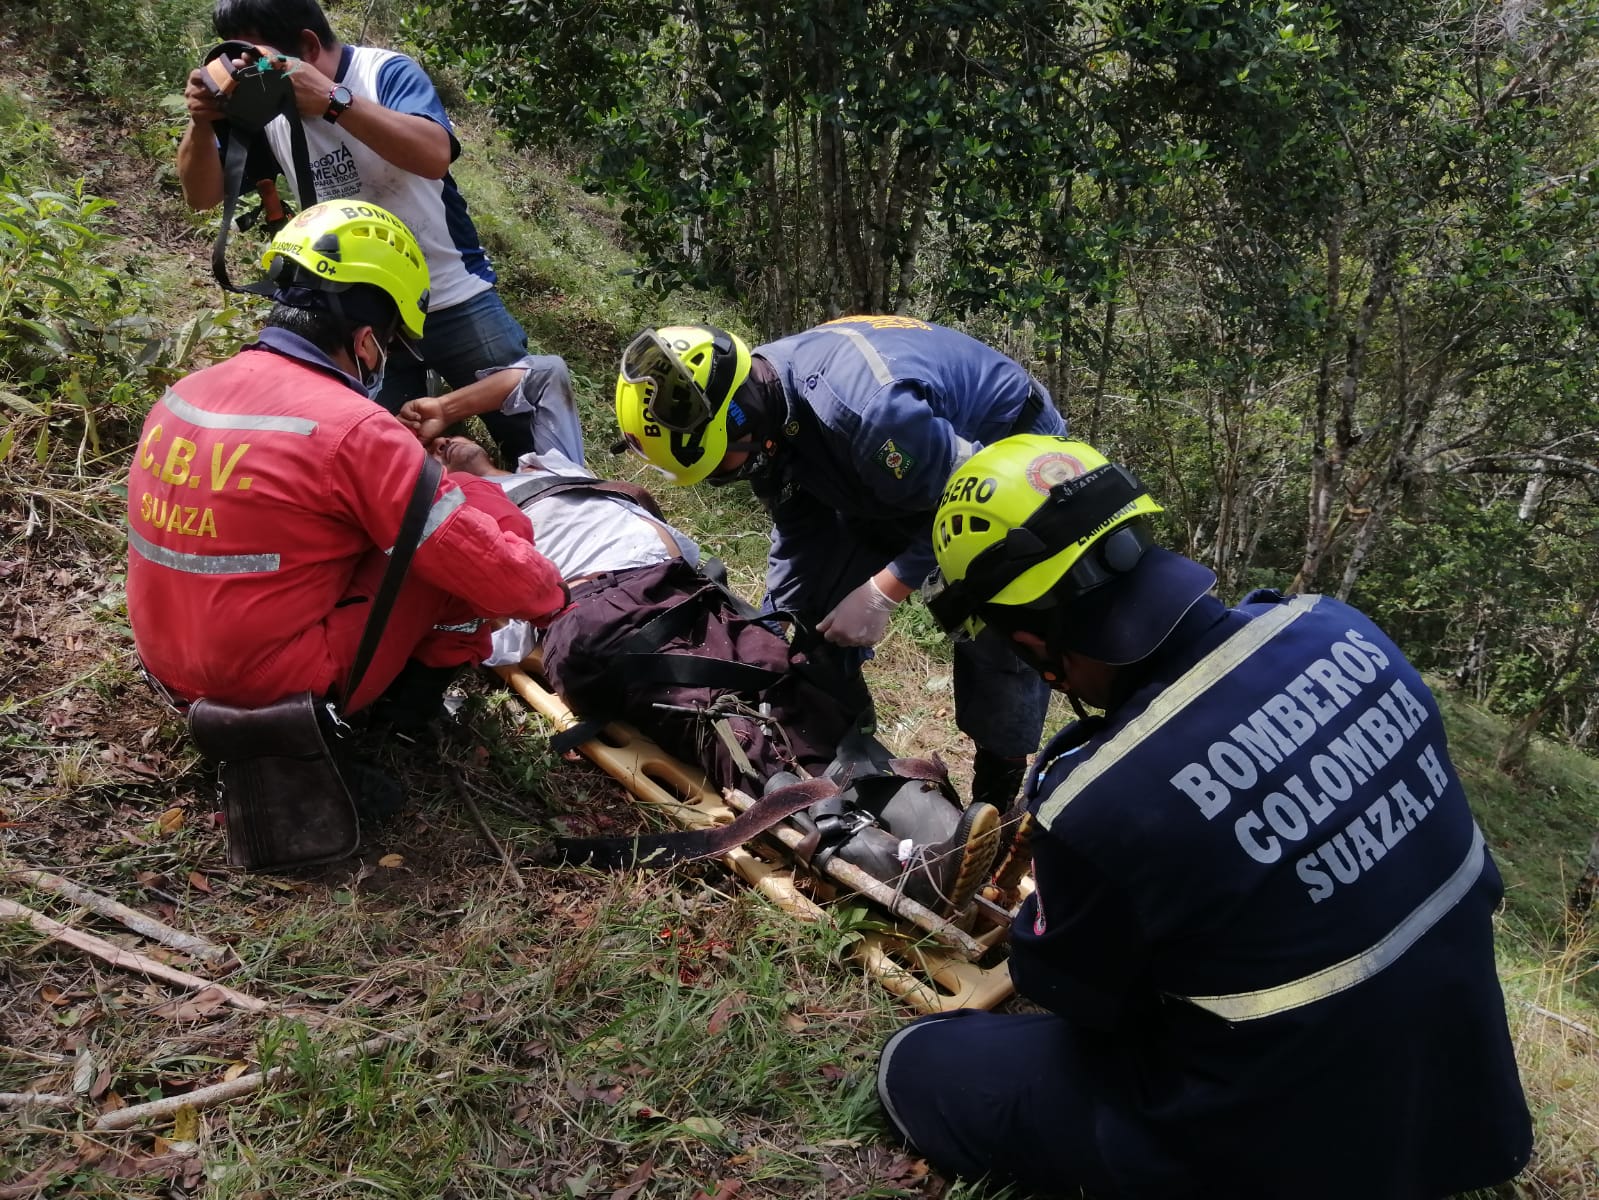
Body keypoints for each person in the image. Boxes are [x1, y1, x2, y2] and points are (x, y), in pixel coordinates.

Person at [874, 434, 1533, 1198]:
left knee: (920, 1063)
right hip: (1470, 1112)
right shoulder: (1345, 629)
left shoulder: (1097, 798)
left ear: (1033, 644)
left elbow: (1071, 995)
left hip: (1290, 1150)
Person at [419, 358, 1002, 915]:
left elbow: (544, 374)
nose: (438, 445)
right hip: (606, 618)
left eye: (437, 438)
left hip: (692, 593)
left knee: (797, 687)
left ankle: (936, 825)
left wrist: (442, 408)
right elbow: (485, 634)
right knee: (731, 723)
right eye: (424, 457)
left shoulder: (550, 465)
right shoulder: (464, 525)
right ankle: (888, 865)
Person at [126, 200, 567, 724]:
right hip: (275, 693)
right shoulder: (355, 430)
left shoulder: (190, 389)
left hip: (167, 661)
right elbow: (497, 574)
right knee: (481, 511)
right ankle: (412, 709)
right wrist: (555, 598)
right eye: (388, 345)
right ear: (364, 342)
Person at [605, 316, 1068, 815]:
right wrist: (774, 629)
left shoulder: (871, 416)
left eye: (720, 465)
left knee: (988, 612)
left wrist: (885, 590)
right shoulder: (764, 396)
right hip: (901, 465)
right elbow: (800, 524)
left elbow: (976, 506)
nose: (722, 478)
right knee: (806, 618)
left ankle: (997, 790)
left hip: (1006, 471)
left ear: (739, 419)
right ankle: (844, 741)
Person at [175, 0, 537, 461]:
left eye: (263, 57)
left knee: (529, 430)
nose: (253, 69)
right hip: (365, 317)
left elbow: (434, 155)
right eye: (241, 59)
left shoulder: (383, 72)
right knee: (400, 457)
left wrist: (332, 100)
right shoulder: (270, 111)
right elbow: (202, 196)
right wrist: (202, 123)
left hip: (453, 295)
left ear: (306, 44)